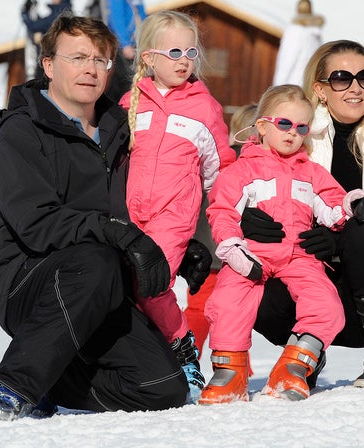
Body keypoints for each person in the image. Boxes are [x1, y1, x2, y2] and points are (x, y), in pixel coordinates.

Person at [0, 14, 213, 422]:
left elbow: (136, 202)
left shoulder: (118, 127)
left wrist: (172, 243)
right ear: (48, 65)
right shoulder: (22, 132)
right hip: (24, 277)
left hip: (99, 281)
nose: (90, 69)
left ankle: (53, 376)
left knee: (162, 388)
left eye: (100, 60)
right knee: (96, 260)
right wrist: (117, 234)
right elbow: (37, 223)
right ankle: (15, 385)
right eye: (78, 57)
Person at [245, 40, 364, 388]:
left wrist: (344, 242)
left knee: (360, 224)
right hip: (308, 289)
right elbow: (245, 182)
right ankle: (307, 350)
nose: (354, 87)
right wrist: (246, 217)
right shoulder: (295, 135)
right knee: (251, 283)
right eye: (341, 78)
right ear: (320, 89)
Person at [199, 85, 364, 405]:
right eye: (284, 124)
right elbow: (223, 211)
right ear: (262, 125)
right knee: (227, 301)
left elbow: (332, 204)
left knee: (326, 303)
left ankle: (294, 365)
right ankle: (229, 373)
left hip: (299, 255)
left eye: (301, 127)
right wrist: (233, 248)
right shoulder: (242, 170)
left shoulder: (312, 173)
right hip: (252, 254)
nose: (292, 133)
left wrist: (350, 204)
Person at [120, 10, 236, 402]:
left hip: (174, 216)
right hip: (129, 214)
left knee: (151, 284)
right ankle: (140, 361)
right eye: (174, 51)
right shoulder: (129, 103)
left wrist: (224, 221)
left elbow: (220, 169)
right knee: (120, 286)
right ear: (148, 58)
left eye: (190, 51)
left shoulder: (204, 109)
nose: (185, 59)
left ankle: (182, 347)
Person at [183, 103, 257, 359]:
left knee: (197, 309)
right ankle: (237, 364)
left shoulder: (216, 158)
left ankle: (185, 358)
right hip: (234, 249)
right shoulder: (251, 164)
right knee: (233, 312)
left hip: (206, 246)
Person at [100, 0, 147, 102]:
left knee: (134, 78)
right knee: (125, 81)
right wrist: (125, 44)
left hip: (136, 42)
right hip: (123, 45)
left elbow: (142, 15)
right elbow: (117, 18)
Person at [272, 0, 324, 87]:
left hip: (292, 85)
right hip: (309, 84)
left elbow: (288, 60)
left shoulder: (295, 31)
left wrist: (277, 86)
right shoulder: (316, 35)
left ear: (297, 10)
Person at [21, 0, 73, 79]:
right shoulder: (66, 12)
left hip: (51, 62)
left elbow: (33, 26)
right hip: (61, 62)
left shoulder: (59, 13)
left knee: (40, 88)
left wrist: (25, 11)